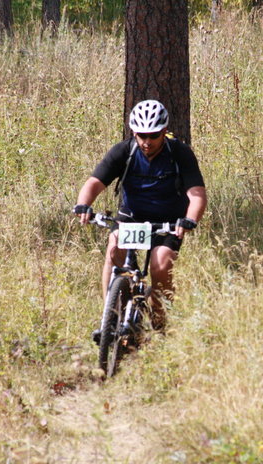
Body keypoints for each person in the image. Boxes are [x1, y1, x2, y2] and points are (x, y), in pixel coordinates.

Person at [73, 100, 207, 339]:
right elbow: (95, 182)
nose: (147, 142)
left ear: (164, 132)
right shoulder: (124, 151)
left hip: (168, 221)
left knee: (160, 264)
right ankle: (109, 318)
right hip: (132, 217)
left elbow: (196, 193)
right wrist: (84, 204)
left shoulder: (179, 153)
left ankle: (160, 323)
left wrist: (190, 219)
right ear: (134, 132)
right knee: (114, 249)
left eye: (153, 135)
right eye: (141, 135)